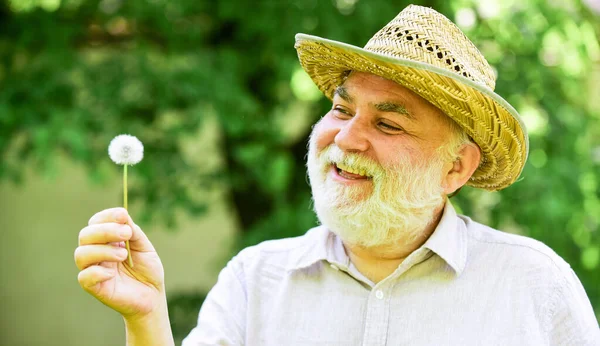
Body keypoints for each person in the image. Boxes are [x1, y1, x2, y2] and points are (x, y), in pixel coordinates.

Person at [74, 5, 600, 345]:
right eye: (342, 110)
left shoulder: (535, 287)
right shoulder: (255, 280)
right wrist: (145, 318)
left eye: (388, 123)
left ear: (456, 168)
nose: (347, 138)